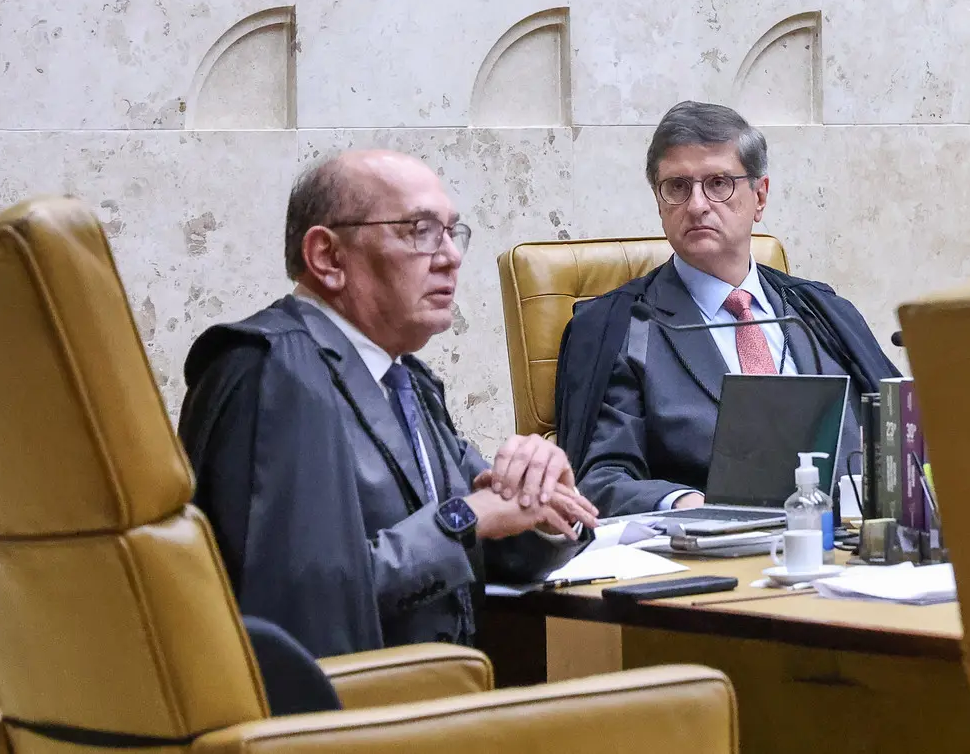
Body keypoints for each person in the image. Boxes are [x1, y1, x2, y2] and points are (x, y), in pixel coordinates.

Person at [179, 150, 597, 658]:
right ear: (329, 258)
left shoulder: (405, 379)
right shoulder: (272, 370)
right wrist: (465, 518)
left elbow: (486, 537)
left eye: (452, 231)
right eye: (420, 231)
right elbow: (301, 608)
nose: (450, 256)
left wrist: (542, 500)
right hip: (349, 717)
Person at [556, 102, 899, 516]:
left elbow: (904, 438)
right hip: (709, 558)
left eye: (718, 183)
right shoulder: (617, 329)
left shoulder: (821, 313)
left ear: (760, 196)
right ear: (659, 202)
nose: (697, 205)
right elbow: (600, 479)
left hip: (851, 549)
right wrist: (688, 504)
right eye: (677, 186)